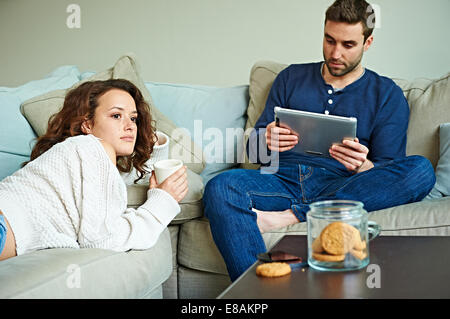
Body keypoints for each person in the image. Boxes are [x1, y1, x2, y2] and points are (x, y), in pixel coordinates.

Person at [203, 0, 436, 281]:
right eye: (329, 40)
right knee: (221, 186)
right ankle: (259, 293)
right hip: (281, 181)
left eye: (348, 45)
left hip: (344, 184)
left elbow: (387, 172)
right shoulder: (290, 77)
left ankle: (293, 216)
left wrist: (362, 164)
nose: (336, 53)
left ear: (368, 42)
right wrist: (265, 138)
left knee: (421, 170)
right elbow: (256, 154)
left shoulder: (387, 94)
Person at [0, 79, 188, 261]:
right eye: (116, 115)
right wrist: (162, 202)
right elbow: (102, 240)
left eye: (134, 118)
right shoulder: (93, 147)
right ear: (87, 125)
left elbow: (133, 179)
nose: (130, 125)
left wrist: (151, 142)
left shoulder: (83, 156)